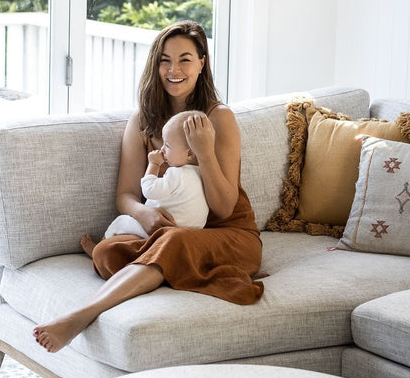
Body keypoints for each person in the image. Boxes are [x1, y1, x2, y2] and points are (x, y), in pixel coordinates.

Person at [33, 20, 264, 354]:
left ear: (202, 63)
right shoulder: (142, 121)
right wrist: (144, 215)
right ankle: (171, 266)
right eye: (165, 60)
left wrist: (203, 151)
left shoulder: (219, 118)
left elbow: (225, 208)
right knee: (108, 253)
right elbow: (125, 195)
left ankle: (80, 315)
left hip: (229, 234)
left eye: (185, 59)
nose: (174, 69)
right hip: (162, 231)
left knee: (175, 239)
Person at [103, 109, 209, 239]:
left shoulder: (175, 174)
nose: (162, 149)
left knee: (121, 222)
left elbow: (149, 190)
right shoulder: (201, 174)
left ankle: (98, 246)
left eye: (168, 146)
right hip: (191, 233)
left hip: (161, 229)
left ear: (190, 153)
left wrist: (154, 164)